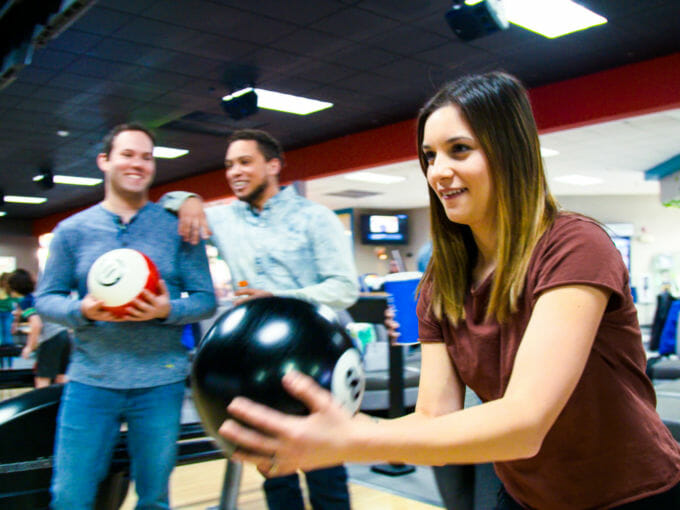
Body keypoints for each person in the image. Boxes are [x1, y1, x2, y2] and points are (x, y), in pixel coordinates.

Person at [216, 73, 680, 509]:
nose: (438, 171)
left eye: (459, 149)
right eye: (430, 156)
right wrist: (325, 439)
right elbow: (432, 418)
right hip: (528, 495)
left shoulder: (573, 245)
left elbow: (525, 423)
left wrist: (356, 437)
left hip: (631, 493)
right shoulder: (443, 278)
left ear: (509, 151)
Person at [162, 128, 359, 510]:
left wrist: (279, 298)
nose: (234, 171)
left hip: (314, 358)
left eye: (244, 162)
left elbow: (344, 288)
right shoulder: (223, 219)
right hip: (256, 363)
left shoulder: (315, 218)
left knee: (325, 469)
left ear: (273, 165)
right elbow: (165, 204)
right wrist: (188, 199)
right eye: (229, 165)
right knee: (272, 469)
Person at [35, 123, 216, 510]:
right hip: (91, 381)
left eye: (147, 157)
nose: (138, 164)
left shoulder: (177, 227)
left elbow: (205, 299)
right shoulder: (73, 230)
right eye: (128, 154)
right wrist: (79, 310)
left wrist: (169, 310)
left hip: (160, 381)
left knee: (154, 498)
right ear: (105, 161)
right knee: (69, 495)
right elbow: (45, 299)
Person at [7, 268, 71, 387]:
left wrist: (29, 347)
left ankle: (44, 405)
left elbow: (36, 324)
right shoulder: (38, 296)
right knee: (61, 377)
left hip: (50, 339)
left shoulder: (27, 301)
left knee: (43, 378)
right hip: (64, 335)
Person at [0, 272, 16, 368]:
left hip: (8, 314)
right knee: (1, 339)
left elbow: (15, 303)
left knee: (8, 339)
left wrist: (15, 322)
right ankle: (2, 365)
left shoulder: (11, 291)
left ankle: (10, 365)